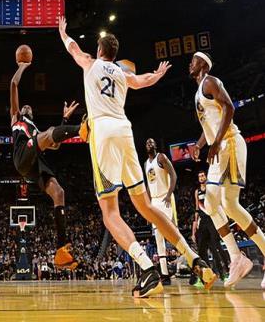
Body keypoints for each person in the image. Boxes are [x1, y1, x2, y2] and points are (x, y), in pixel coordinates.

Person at [58, 16, 216, 298]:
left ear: (99, 50)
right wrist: (158, 74)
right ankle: (194, 258)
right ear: (114, 53)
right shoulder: (121, 73)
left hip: (103, 131)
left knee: (110, 214)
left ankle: (147, 268)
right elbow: (142, 81)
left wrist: (63, 32)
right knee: (146, 206)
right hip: (124, 130)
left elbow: (73, 49)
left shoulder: (90, 63)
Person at [190, 51, 265, 289]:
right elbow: (210, 124)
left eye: (194, 60)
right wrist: (200, 144)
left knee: (217, 202)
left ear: (203, 65)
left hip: (229, 143)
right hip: (219, 146)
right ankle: (238, 257)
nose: (190, 64)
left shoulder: (210, 81)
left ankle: (238, 256)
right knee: (222, 205)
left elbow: (229, 108)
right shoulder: (199, 91)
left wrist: (215, 142)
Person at [10, 61, 86, 270]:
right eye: (24, 106)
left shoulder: (35, 128)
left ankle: (61, 251)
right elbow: (14, 84)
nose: (26, 106)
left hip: (36, 163)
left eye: (29, 107)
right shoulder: (16, 118)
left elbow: (56, 144)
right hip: (21, 155)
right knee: (49, 133)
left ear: (32, 114)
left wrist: (64, 120)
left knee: (59, 193)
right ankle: (83, 128)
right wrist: (22, 66)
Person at [144, 138, 178, 285]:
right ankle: (165, 274)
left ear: (155, 145)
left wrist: (169, 194)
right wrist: (147, 206)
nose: (150, 144)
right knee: (158, 238)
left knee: (173, 234)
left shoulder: (161, 157)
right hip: (154, 201)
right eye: (147, 143)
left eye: (152, 142)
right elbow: (148, 186)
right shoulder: (146, 164)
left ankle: (191, 263)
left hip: (165, 198)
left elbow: (174, 175)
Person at [191, 170, 229, 283]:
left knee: (215, 247)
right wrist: (194, 229)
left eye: (203, 175)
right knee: (201, 249)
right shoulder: (197, 192)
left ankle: (223, 273)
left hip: (212, 219)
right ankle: (205, 277)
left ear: (206, 176)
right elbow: (197, 209)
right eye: (199, 176)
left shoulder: (210, 188)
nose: (201, 177)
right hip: (202, 222)